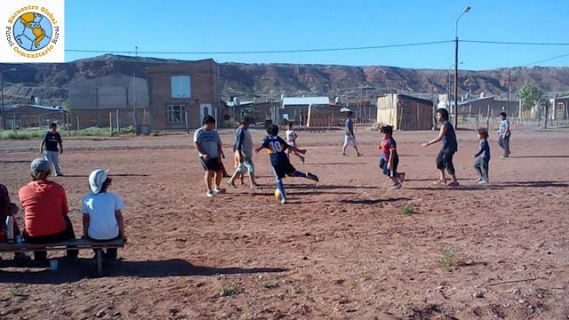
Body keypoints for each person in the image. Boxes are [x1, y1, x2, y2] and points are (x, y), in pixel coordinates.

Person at [18, 158, 78, 261]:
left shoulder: (23, 190)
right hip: (57, 235)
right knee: (66, 219)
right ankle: (72, 254)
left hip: (33, 237)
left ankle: (40, 257)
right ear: (49, 172)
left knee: (36, 219)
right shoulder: (58, 188)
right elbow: (64, 211)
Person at [255, 125, 319, 204]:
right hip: (284, 158)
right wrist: (300, 151)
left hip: (275, 160)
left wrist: (258, 149)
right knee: (292, 173)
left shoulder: (267, 139)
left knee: (278, 179)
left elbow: (263, 145)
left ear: (268, 132)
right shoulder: (279, 138)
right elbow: (289, 146)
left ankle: (284, 198)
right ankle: (305, 175)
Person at [82, 169, 126, 261]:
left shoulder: (87, 199)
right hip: (112, 235)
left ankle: (100, 254)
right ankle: (111, 256)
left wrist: (85, 234)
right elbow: (119, 218)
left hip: (94, 236)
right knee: (114, 233)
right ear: (107, 183)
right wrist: (122, 235)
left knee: (92, 234)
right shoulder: (113, 197)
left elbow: (86, 220)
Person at [422, 108, 460, 187]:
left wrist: (428, 143)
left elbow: (439, 137)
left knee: (447, 161)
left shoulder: (445, 125)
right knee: (439, 160)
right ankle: (442, 178)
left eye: (438, 115)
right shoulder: (444, 124)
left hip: (449, 147)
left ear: (442, 116)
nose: (436, 116)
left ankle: (455, 181)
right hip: (446, 146)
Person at [194, 115, 226, 197]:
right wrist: (203, 153)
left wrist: (219, 155)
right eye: (211, 124)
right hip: (205, 156)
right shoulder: (199, 132)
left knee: (219, 172)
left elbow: (219, 144)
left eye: (213, 124)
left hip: (215, 155)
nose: (212, 126)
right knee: (209, 171)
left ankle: (217, 187)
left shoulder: (214, 132)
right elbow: (196, 143)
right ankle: (209, 190)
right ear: (206, 123)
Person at [227, 119, 258, 188]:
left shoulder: (246, 130)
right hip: (244, 154)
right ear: (241, 124)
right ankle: (252, 184)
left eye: (248, 124)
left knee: (241, 169)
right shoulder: (241, 131)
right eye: (245, 124)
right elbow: (238, 145)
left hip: (247, 153)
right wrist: (240, 155)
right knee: (250, 167)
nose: (247, 126)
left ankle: (231, 181)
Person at [379, 125, 405, 189]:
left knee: (390, 173)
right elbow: (383, 146)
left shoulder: (391, 141)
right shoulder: (385, 139)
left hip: (392, 159)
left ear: (388, 133)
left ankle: (397, 184)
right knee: (385, 171)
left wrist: (389, 162)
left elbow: (392, 153)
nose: (383, 135)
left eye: (384, 133)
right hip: (387, 158)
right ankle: (400, 175)